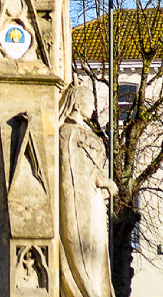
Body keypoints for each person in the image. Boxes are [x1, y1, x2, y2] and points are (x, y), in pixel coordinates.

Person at [58, 82, 118, 297]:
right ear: (76, 104)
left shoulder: (82, 133)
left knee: (98, 253)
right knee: (85, 251)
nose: (93, 109)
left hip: (93, 205)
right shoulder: (67, 133)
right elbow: (72, 175)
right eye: (90, 103)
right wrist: (101, 180)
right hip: (81, 207)